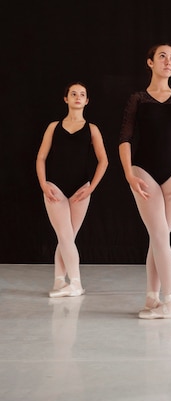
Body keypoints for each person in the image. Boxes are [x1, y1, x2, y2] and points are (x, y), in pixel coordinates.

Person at [119, 43, 171, 319]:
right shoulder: (138, 99)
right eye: (162, 56)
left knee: (159, 239)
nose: (169, 61)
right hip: (145, 174)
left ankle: (153, 298)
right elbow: (125, 139)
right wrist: (129, 173)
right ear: (150, 62)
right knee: (160, 236)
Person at [36, 82, 108, 297]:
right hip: (55, 187)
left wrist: (91, 189)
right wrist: (43, 184)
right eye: (73, 94)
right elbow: (41, 158)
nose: (78, 97)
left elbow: (103, 161)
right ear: (66, 99)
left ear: (87, 101)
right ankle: (74, 283)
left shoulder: (92, 129)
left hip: (81, 189)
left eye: (82, 94)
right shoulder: (53, 127)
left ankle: (60, 281)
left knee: (67, 237)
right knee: (65, 236)